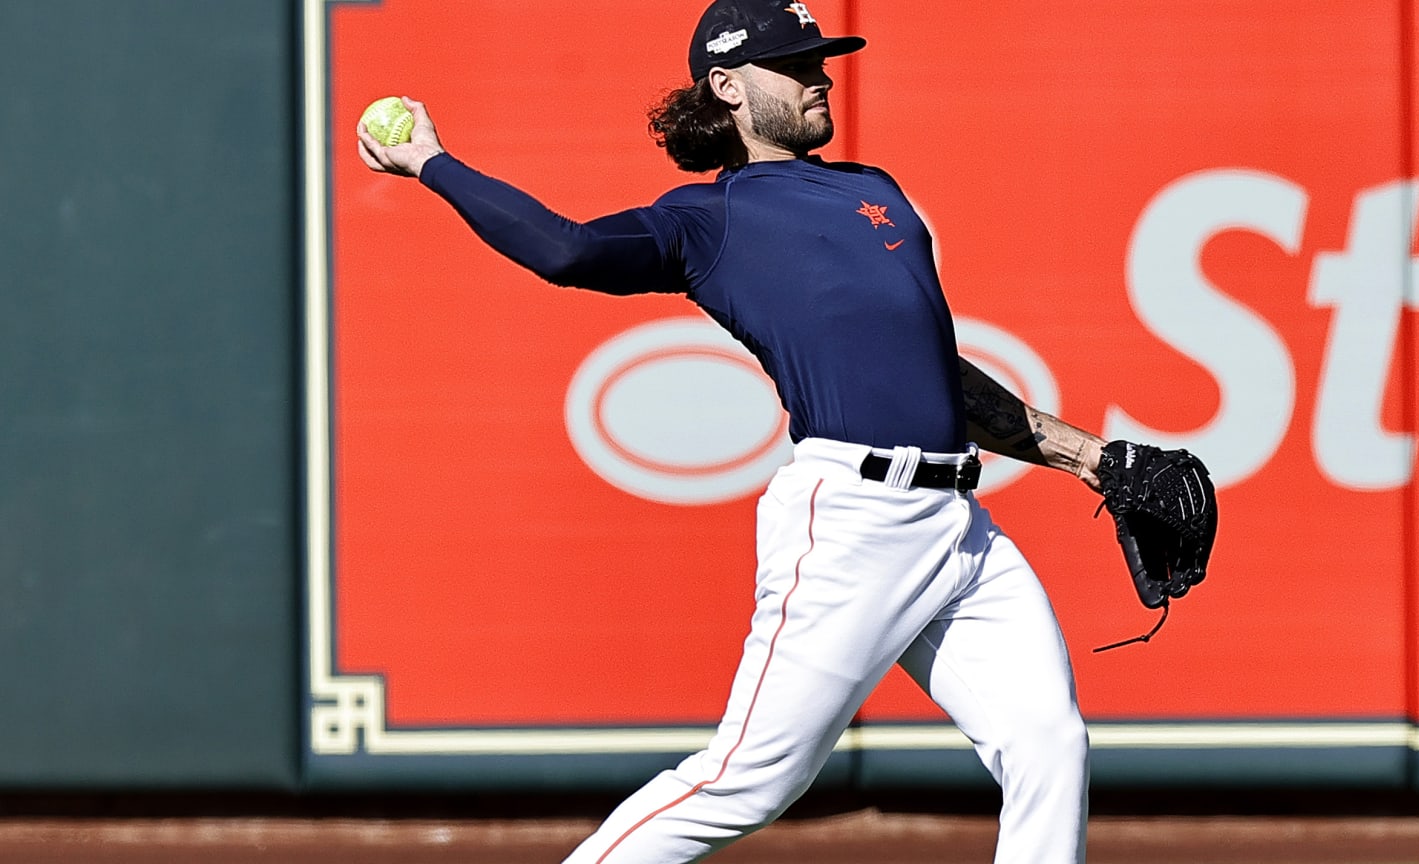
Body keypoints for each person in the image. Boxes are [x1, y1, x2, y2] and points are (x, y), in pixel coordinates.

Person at [358, 2, 1105, 861]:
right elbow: (564, 251)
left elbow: (939, 373)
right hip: (851, 522)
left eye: (819, 58)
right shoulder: (705, 221)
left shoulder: (878, 192)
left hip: (960, 528)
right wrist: (431, 163)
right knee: (748, 779)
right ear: (728, 88)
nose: (819, 73)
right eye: (794, 64)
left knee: (1050, 742)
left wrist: (1093, 458)